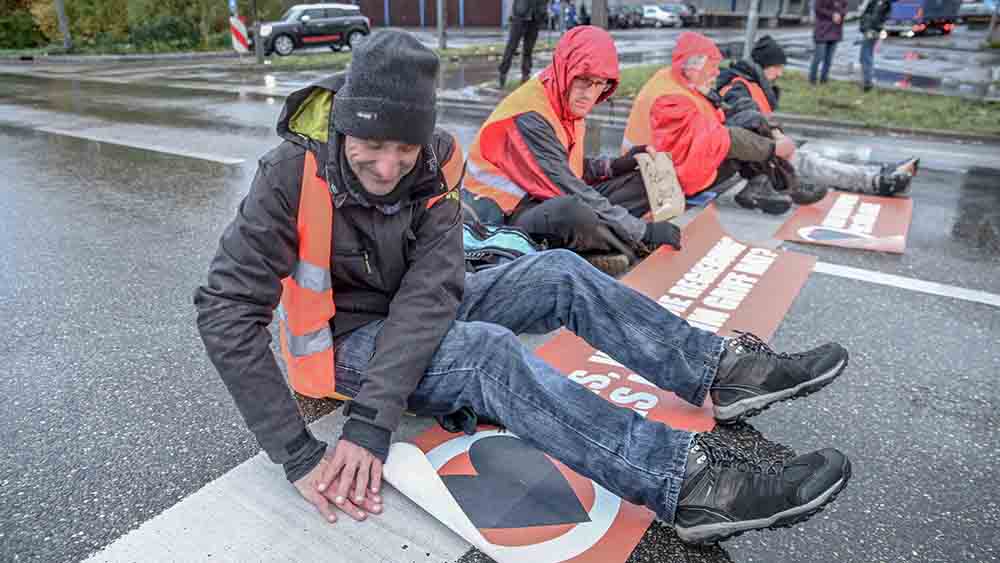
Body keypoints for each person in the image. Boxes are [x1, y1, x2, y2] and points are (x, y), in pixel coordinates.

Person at [195, 28, 853, 546]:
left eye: (405, 148)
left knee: (558, 272)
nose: (390, 167)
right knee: (485, 354)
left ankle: (717, 371)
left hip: (413, 312)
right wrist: (302, 452)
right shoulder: (290, 174)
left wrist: (374, 420)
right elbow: (225, 309)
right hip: (346, 343)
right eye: (372, 143)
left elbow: (433, 288)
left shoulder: (436, 159)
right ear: (343, 122)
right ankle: (686, 484)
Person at [467, 26, 681, 273]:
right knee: (571, 212)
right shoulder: (530, 114)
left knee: (643, 178)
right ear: (565, 69)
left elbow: (571, 165)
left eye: (599, 84)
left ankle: (598, 246)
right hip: (506, 217)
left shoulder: (566, 100)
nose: (589, 94)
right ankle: (622, 248)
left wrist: (616, 165)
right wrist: (641, 231)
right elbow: (565, 185)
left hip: (545, 198)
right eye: (583, 80)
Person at [622, 32, 802, 214]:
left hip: (660, 168)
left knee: (749, 119)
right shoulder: (672, 97)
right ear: (693, 68)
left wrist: (767, 127)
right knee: (742, 142)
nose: (717, 72)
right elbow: (720, 139)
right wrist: (772, 148)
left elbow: (719, 114)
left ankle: (776, 182)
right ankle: (784, 184)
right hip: (658, 183)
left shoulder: (676, 79)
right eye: (712, 66)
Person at [718, 35, 919, 197]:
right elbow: (743, 118)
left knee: (813, 156)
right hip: (755, 153)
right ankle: (877, 181)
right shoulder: (738, 86)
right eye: (778, 67)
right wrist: (776, 140)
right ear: (766, 65)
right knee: (808, 162)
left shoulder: (748, 84)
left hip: (761, 150)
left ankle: (878, 171)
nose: (780, 73)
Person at [498, 0, 548, 88]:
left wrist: (543, 11)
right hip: (520, 16)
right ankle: (503, 73)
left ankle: (525, 76)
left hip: (536, 17)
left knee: (528, 49)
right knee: (511, 47)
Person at [858, 0, 893, 92]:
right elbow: (867, 14)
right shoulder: (876, 2)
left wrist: (871, 30)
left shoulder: (884, 4)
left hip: (872, 31)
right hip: (869, 30)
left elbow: (878, 19)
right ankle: (866, 82)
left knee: (865, 57)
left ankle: (867, 83)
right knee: (865, 57)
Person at [810, 0, 846, 84]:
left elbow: (844, 8)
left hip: (835, 30)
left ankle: (824, 80)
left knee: (829, 59)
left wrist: (840, 14)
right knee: (819, 57)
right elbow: (818, 9)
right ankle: (812, 80)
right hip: (822, 30)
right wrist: (832, 15)